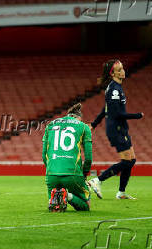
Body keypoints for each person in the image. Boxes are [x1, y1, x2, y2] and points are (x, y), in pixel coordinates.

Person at [88, 59, 144, 200]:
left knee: (131, 160)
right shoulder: (114, 89)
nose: (123, 71)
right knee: (127, 161)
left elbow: (105, 109)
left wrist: (94, 124)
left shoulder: (115, 87)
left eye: (123, 69)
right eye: (119, 70)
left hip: (121, 128)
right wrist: (137, 115)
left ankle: (121, 192)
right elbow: (116, 113)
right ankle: (98, 180)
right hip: (116, 128)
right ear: (113, 74)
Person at [42, 103, 92, 212]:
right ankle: (67, 195)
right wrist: (84, 174)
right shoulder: (84, 127)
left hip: (51, 175)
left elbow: (44, 154)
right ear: (79, 118)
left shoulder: (50, 125)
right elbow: (88, 158)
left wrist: (50, 169)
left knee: (56, 205)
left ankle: (57, 196)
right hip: (73, 174)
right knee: (86, 205)